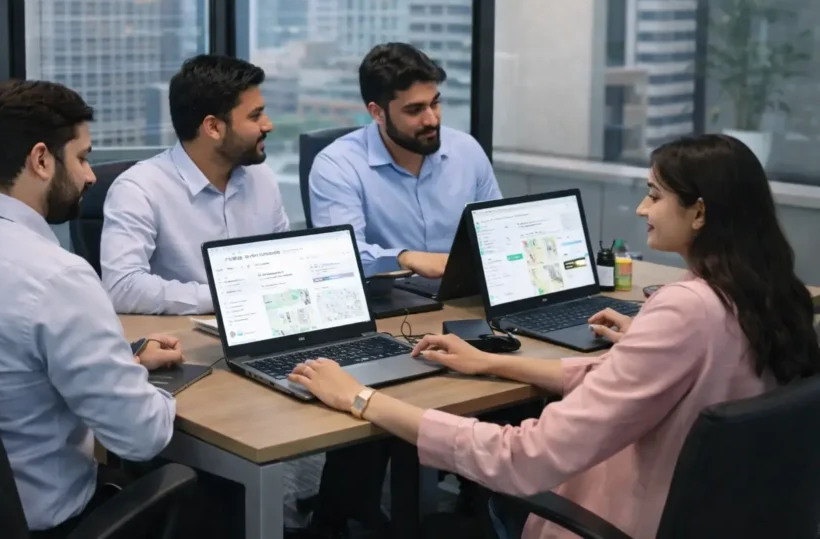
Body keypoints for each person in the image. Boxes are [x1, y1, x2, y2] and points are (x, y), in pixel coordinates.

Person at [289, 134, 820, 539]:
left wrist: (361, 397)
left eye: (654, 195)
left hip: (628, 519)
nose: (641, 209)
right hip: (726, 517)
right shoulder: (766, 293)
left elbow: (524, 458)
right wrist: (496, 363)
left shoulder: (685, 309)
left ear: (699, 211)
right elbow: (629, 377)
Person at [0, 81, 180, 537]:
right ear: (41, 159)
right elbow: (142, 437)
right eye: (83, 157)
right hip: (41, 523)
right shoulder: (57, 276)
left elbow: (1, 358)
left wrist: (119, 361)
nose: (90, 176)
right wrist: (156, 388)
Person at [101, 54, 288, 315]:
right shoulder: (139, 188)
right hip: (182, 345)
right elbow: (122, 287)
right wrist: (226, 296)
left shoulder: (262, 178)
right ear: (212, 127)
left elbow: (287, 264)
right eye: (255, 116)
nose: (268, 124)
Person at [309, 42, 501, 279]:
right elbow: (339, 257)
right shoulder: (337, 165)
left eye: (435, 103)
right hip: (391, 306)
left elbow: (498, 233)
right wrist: (405, 258)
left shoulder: (466, 150)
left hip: (464, 298)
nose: (431, 120)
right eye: (415, 110)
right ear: (377, 113)